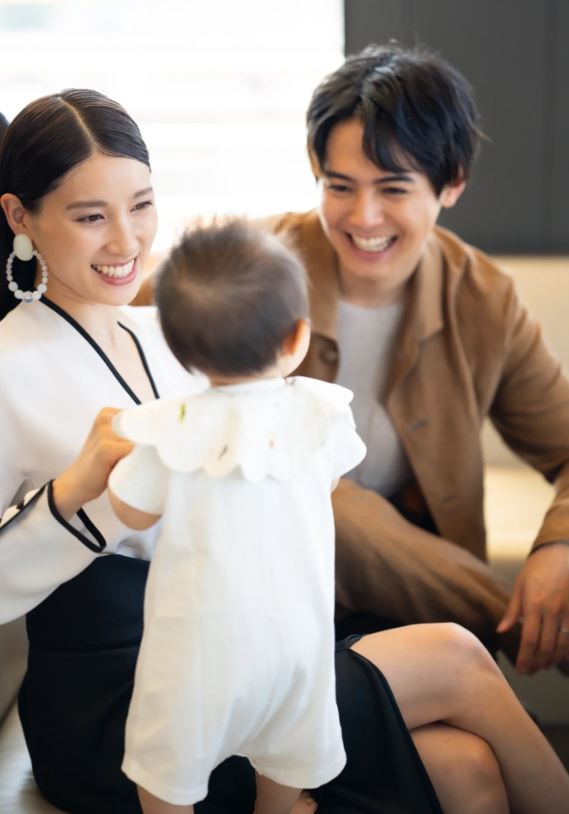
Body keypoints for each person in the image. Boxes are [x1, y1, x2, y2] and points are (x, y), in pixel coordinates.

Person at [0, 88, 568, 814]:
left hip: (232, 650)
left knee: (466, 768)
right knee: (457, 659)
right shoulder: (8, 366)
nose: (126, 241)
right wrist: (76, 495)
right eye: (90, 217)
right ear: (20, 217)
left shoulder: (164, 331)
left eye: (141, 204)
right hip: (121, 694)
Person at [263, 43, 569, 675]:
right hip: (269, 592)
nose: (363, 217)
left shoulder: (483, 298)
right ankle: (511, 626)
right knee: (318, 490)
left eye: (393, 188)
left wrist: (560, 546)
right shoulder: (251, 269)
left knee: (476, 767)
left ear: (451, 183)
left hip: (409, 607)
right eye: (339, 187)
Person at [108, 220, 367, 813]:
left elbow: (128, 510)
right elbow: (325, 483)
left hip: (197, 657)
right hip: (297, 651)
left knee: (167, 768)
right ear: (297, 335)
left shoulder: (168, 428)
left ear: (178, 347)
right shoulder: (321, 414)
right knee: (285, 761)